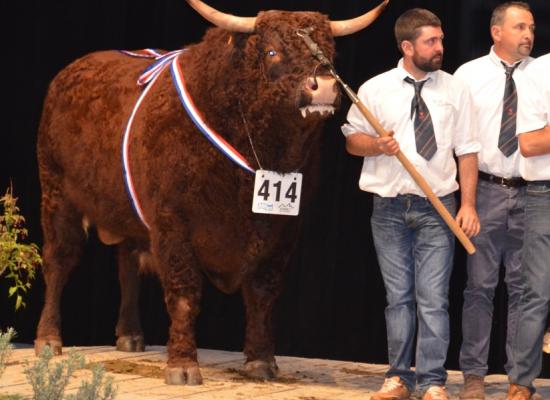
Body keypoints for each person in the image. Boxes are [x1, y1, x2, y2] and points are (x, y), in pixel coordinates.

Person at [341, 8, 480, 400]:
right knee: (398, 298)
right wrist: (376, 145)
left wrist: (467, 206)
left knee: (433, 299)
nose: (440, 47)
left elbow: (468, 151)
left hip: (438, 207)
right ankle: (399, 377)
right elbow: (352, 140)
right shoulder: (375, 89)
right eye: (430, 41)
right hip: (388, 208)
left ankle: (433, 380)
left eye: (441, 40)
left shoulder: (455, 89)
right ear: (407, 46)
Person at [452, 3, 536, 399]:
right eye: (520, 27)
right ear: (496, 32)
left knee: (524, 289)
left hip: (533, 192)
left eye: (532, 28)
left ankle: (520, 379)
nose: (528, 34)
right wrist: (465, 202)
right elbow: (460, 143)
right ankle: (474, 375)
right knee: (479, 287)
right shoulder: (467, 76)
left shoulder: (543, 74)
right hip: (484, 190)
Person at [507, 52, 550, 399]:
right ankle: (520, 382)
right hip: (545, 193)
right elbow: (530, 143)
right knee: (537, 291)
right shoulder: (540, 72)